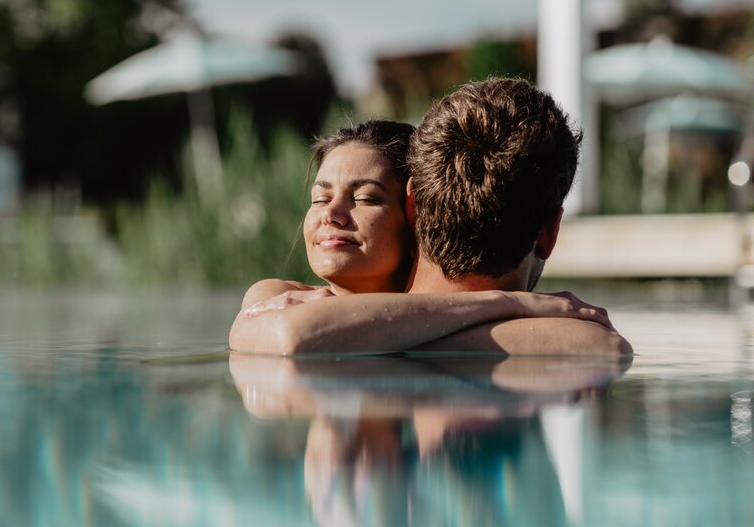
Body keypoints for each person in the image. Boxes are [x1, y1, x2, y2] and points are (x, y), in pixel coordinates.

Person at [230, 90, 626, 356]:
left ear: (412, 209)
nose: (331, 213)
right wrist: (507, 301)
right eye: (319, 197)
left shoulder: (316, 319)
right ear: (549, 232)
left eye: (367, 197)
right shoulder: (285, 298)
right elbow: (295, 336)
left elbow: (297, 335)